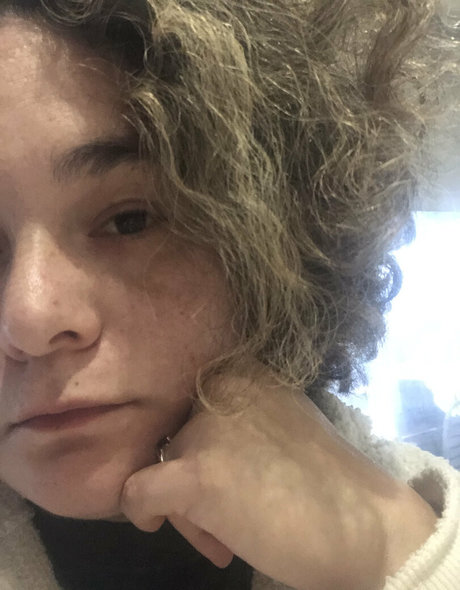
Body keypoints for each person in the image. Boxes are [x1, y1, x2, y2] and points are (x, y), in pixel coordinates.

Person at [0, 0, 458, 589]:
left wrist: (393, 550)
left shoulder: (428, 529)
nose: (29, 317)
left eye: (131, 221)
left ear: (282, 238)